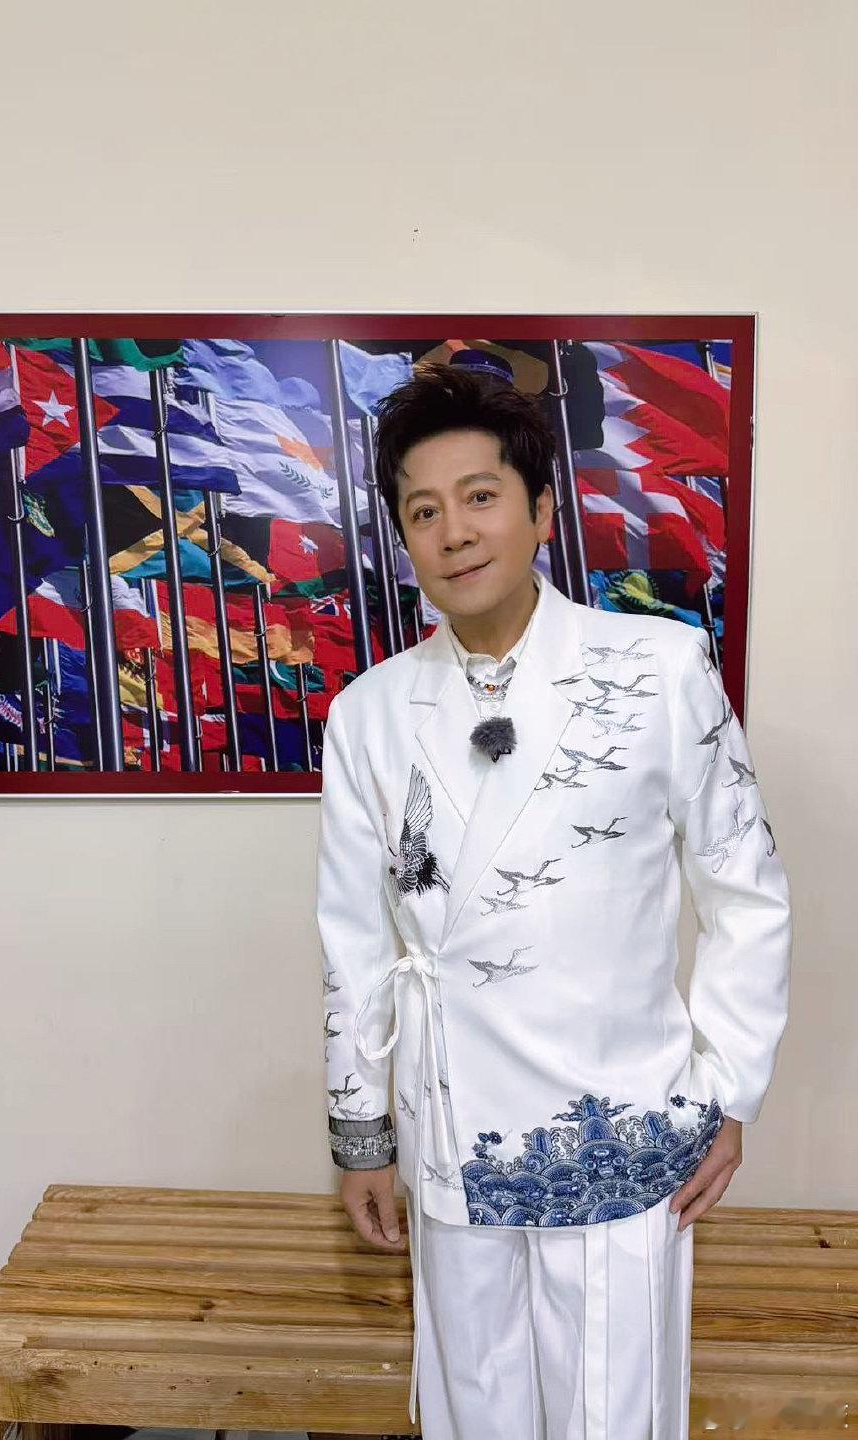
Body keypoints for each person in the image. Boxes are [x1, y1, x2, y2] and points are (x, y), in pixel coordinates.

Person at [315, 362, 792, 1438]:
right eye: (423, 511)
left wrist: (729, 1091)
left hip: (621, 1122)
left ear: (540, 510)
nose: (454, 532)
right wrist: (361, 1132)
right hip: (451, 1126)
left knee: (612, 1412)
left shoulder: (660, 668)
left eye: (480, 497)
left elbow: (746, 890)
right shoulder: (369, 714)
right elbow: (353, 936)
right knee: (474, 1406)